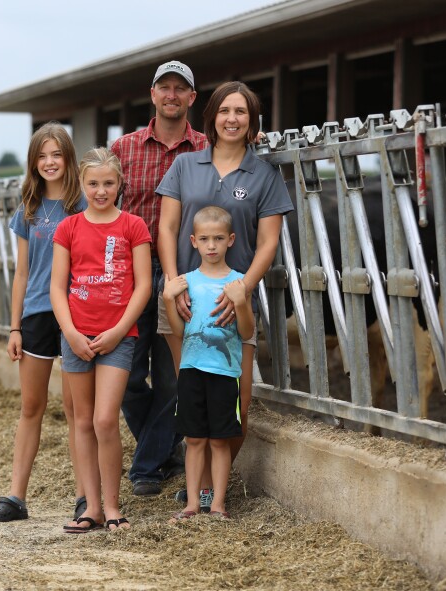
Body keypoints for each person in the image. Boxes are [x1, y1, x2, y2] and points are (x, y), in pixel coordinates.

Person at [157, 81, 294, 512]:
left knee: (240, 400)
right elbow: (165, 227)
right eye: (224, 111)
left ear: (253, 121)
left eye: (241, 112)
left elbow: (269, 241)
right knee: (190, 394)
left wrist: (243, 290)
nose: (232, 119)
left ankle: (214, 492)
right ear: (211, 117)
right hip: (186, 300)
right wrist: (172, 281)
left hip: (233, 305)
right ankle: (196, 491)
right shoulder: (184, 165)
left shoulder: (264, 175)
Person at [110, 60, 208, 497]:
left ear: (192, 97)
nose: (171, 95)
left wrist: (254, 138)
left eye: (179, 89)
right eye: (163, 88)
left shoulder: (207, 148)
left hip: (180, 271)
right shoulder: (123, 148)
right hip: (129, 271)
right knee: (127, 372)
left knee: (170, 376)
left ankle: (146, 468)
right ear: (152, 95)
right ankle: (165, 448)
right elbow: (99, 196)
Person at [0, 122, 87, 523]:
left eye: (56, 155)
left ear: (68, 158)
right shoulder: (27, 209)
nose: (49, 162)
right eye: (41, 156)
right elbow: (22, 273)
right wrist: (14, 326)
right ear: (33, 162)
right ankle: (15, 497)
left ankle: (84, 497)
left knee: (78, 411)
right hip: (38, 314)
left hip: (77, 313)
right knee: (32, 406)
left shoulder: (81, 205)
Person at [51, 147, 152, 532]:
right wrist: (71, 333)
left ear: (120, 183)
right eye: (93, 183)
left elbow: (143, 286)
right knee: (82, 422)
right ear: (81, 184)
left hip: (118, 336)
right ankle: (90, 507)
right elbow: (58, 288)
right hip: (77, 336)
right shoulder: (69, 228)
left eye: (108, 183)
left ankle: (113, 506)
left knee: (106, 419)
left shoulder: (133, 226)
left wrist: (117, 331)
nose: (101, 190)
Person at [163, 206, 254, 520]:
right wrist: (167, 300)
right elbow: (180, 332)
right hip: (191, 371)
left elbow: (247, 332)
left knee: (219, 440)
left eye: (218, 238)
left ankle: (217, 504)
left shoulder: (239, 283)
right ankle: (191, 504)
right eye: (204, 239)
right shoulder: (185, 283)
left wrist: (241, 303)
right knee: (194, 439)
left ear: (231, 240)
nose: (211, 245)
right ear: (193, 241)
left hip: (225, 373)